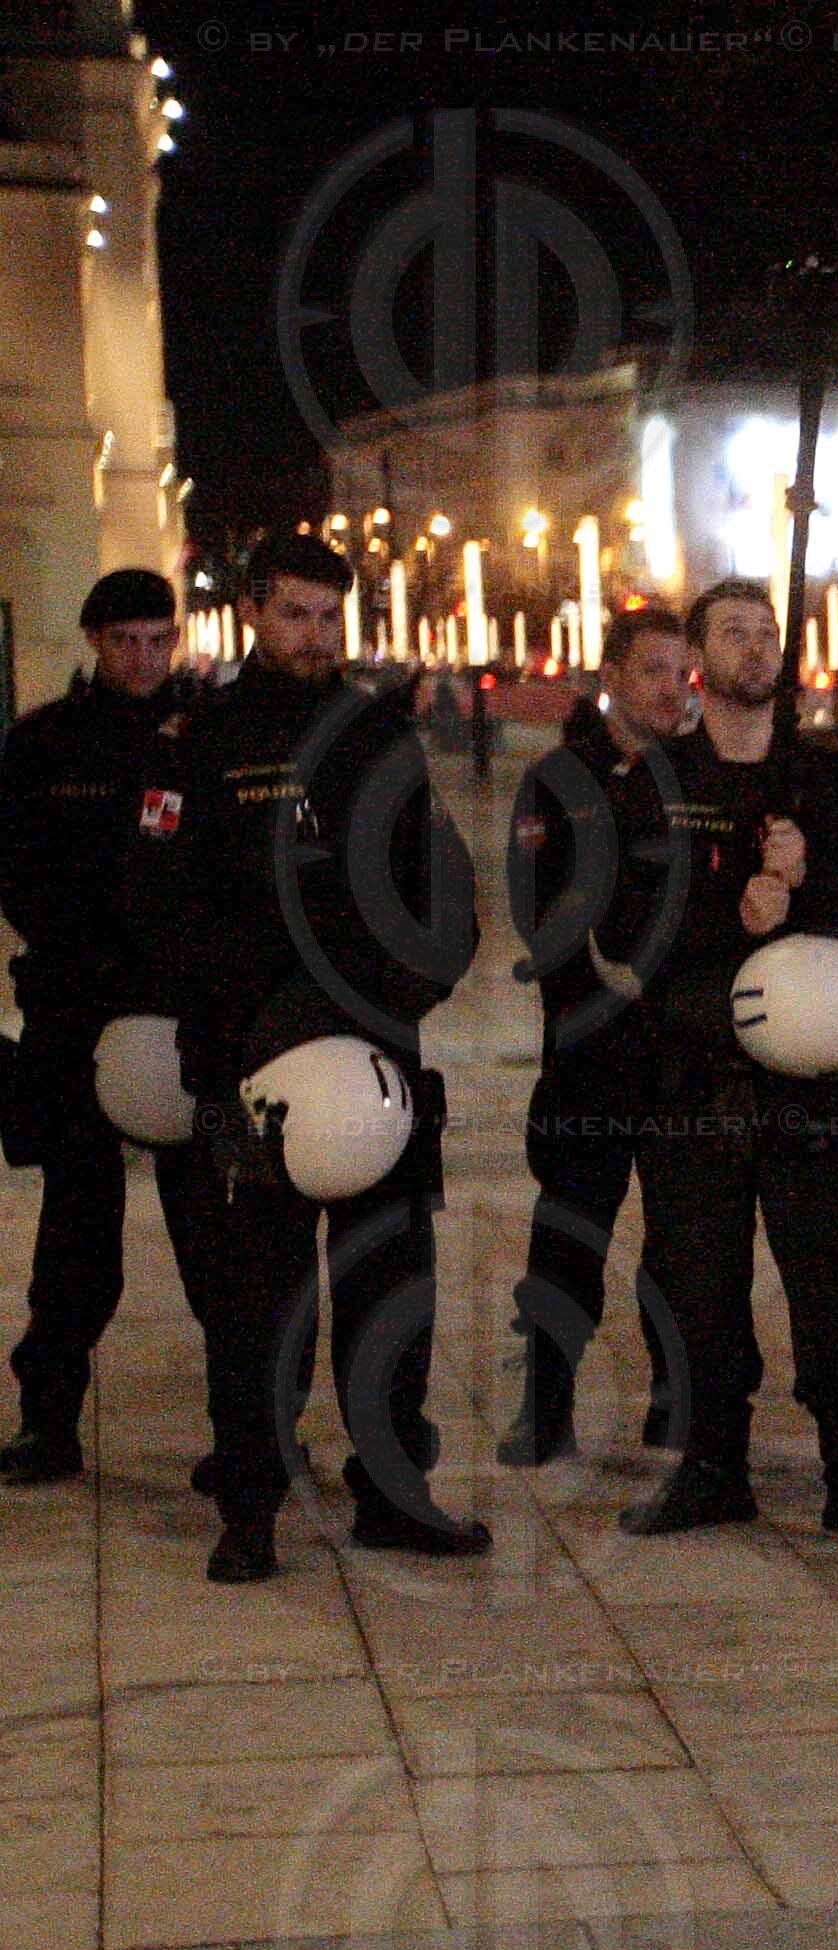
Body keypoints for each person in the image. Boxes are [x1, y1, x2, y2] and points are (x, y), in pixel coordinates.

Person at [126, 533, 486, 1582]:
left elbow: (440, 893)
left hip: (376, 1057)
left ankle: (392, 1493)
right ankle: (250, 1508)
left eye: (331, 617)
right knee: (254, 1309)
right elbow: (159, 909)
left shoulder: (379, 736)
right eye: (295, 614)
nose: (316, 636)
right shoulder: (197, 738)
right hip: (249, 1064)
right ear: (251, 615)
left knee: (391, 1296)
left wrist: (391, 994)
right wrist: (266, 997)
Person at [606, 581, 838, 1541]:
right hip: (693, 1073)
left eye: (768, 632)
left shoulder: (829, 783)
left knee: (837, 1275)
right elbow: (617, 928)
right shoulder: (652, 785)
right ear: (698, 658)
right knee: (697, 1278)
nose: (756, 647)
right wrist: (731, 904)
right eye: (734, 632)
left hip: (811, 1079)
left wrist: (810, 883)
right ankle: (710, 1465)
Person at [0, 571, 189, 1484]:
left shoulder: (205, 738)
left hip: (187, 1015)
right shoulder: (41, 745)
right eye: (127, 642)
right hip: (77, 1011)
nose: (145, 659)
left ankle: (252, 1425)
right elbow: (20, 876)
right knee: (78, 1234)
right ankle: (47, 1419)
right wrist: (94, 960)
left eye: (160, 640)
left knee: (216, 1233)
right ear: (94, 640)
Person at [495, 606, 694, 1467]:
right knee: (570, 1229)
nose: (671, 687)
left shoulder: (701, 776)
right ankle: (547, 1402)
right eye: (652, 669)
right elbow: (539, 904)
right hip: (592, 1046)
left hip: (686, 1049)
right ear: (611, 676)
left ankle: (678, 1399)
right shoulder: (560, 780)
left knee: (687, 1236)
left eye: (681, 670)